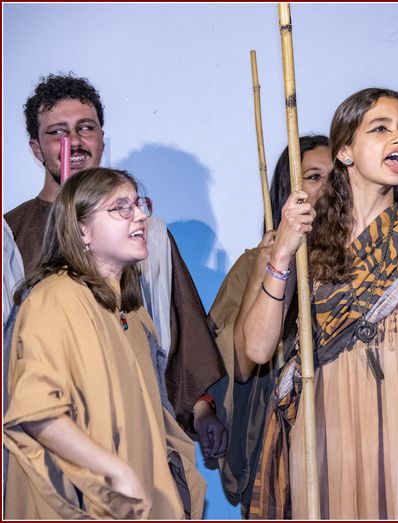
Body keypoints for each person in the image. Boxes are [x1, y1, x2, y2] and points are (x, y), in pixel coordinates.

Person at [243, 88, 398, 519]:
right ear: (345, 151)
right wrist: (281, 253)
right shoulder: (306, 243)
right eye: (380, 129)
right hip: (328, 436)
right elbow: (258, 350)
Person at [3, 73, 226, 456]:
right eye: (57, 132)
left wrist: (202, 411)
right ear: (36, 148)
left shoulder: (146, 233)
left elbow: (181, 337)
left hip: (141, 435)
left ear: (102, 139)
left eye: (85, 128)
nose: (73, 142)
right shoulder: (10, 236)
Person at [3, 168, 206, 518]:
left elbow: (156, 414)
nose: (140, 215)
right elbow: (36, 413)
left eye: (139, 204)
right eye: (121, 207)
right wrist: (115, 472)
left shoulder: (132, 311)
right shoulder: (54, 298)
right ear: (82, 229)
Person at [206, 135, 330, 514]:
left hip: (345, 443)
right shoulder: (255, 263)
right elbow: (239, 364)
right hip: (278, 451)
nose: (327, 187)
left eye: (335, 177)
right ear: (287, 194)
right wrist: (272, 263)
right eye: (314, 177)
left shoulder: (363, 267)